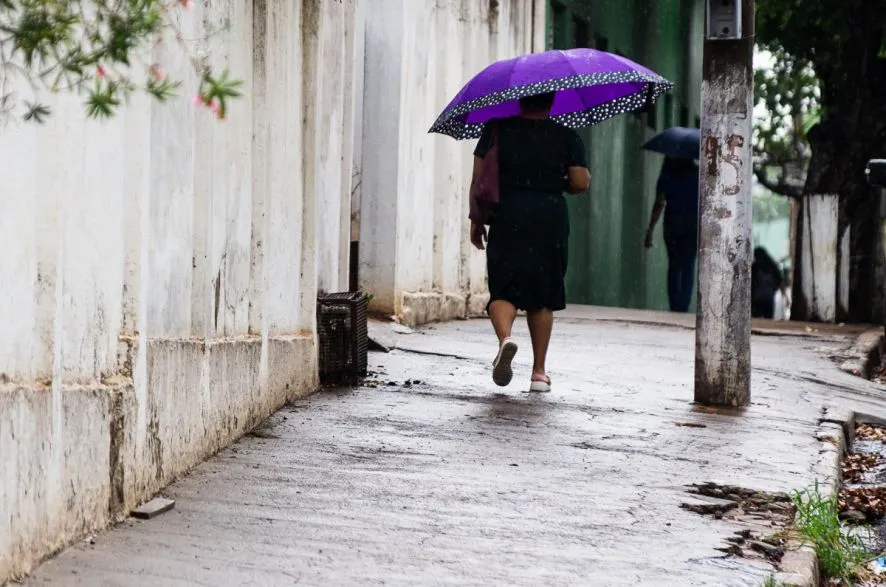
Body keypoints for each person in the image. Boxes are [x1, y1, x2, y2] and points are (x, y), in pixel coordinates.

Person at [470, 92, 590, 392]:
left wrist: (476, 220)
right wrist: (554, 181)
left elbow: (479, 179)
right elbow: (580, 182)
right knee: (544, 293)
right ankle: (538, 372)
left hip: (508, 212)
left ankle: (506, 339)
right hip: (548, 214)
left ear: (520, 101)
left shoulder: (496, 129)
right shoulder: (566, 136)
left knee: (503, 286)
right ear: (551, 103)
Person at [644, 156, 700, 313]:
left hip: (672, 226)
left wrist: (650, 229)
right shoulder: (697, 175)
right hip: (692, 226)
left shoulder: (667, 175)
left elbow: (659, 203)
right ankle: (684, 306)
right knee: (688, 266)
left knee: (674, 266)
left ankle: (675, 305)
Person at [752, 246, 788, 319]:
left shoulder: (755, 267)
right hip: (768, 296)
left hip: (757, 297)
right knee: (768, 317)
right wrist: (785, 295)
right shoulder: (772, 266)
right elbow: (780, 281)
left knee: (756, 317)